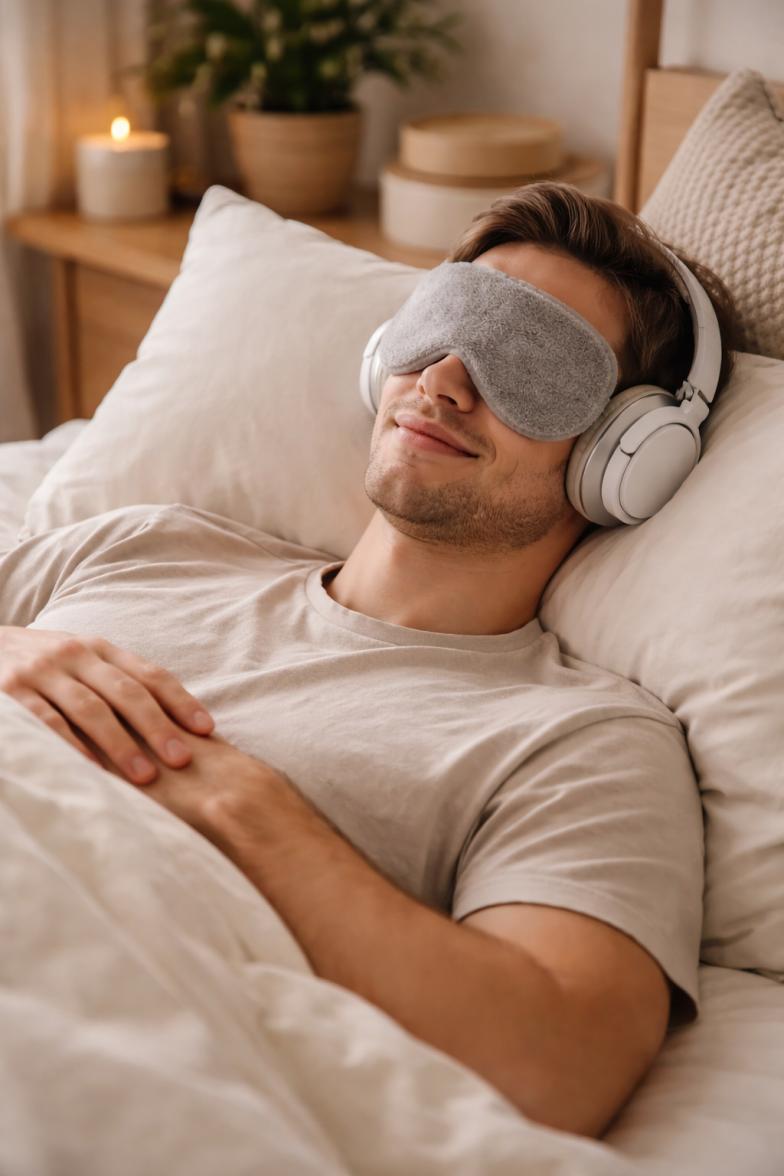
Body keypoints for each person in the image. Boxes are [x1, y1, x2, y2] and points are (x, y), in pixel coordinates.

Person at [0, 183, 740, 1141]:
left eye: (530, 358)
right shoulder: (143, 544)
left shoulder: (582, 743)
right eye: (444, 324)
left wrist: (237, 799)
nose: (444, 382)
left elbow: (558, 1063)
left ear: (630, 455)